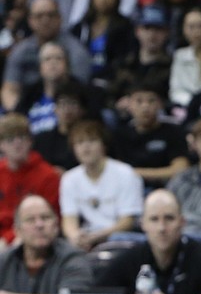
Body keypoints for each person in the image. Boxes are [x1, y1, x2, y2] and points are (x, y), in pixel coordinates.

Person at [96, 188, 201, 294]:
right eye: (154, 219)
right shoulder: (129, 259)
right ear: (143, 224)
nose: (162, 228)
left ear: (182, 222)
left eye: (169, 218)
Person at [59, 120, 144, 252]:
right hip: (87, 239)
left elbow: (127, 221)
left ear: (103, 145)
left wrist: (97, 237)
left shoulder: (126, 174)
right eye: (80, 142)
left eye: (92, 141)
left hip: (120, 238)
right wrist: (75, 237)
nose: (86, 147)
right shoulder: (69, 178)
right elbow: (68, 220)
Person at [0, 194, 93, 294]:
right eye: (30, 220)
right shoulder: (4, 261)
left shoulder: (74, 258)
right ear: (17, 230)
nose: (39, 225)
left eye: (45, 218)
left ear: (56, 225)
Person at [112, 81, 189, 187]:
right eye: (139, 101)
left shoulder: (173, 131)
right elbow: (117, 172)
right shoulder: (120, 134)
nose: (145, 107)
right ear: (129, 105)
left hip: (166, 188)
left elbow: (180, 169)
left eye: (151, 101)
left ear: (160, 104)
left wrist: (136, 173)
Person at [0, 112, 59, 248]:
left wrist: (8, 238)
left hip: (31, 235)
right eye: (10, 139)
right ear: (1, 145)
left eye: (21, 138)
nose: (17, 144)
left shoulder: (47, 175)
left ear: (30, 141)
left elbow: (49, 220)